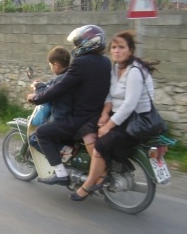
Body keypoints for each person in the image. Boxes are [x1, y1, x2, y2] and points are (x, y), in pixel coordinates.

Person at [70, 29, 160, 201]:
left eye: (122, 47)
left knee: (101, 145)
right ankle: (99, 169)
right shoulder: (116, 68)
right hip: (118, 114)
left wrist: (109, 125)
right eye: (114, 47)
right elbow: (111, 95)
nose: (117, 51)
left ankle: (89, 184)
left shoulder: (134, 71)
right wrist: (104, 114)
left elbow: (130, 104)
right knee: (86, 129)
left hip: (135, 119)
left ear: (130, 51)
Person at [27, 25, 111, 185]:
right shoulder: (105, 62)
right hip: (97, 115)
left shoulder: (81, 63)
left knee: (42, 133)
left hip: (80, 118)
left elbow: (59, 88)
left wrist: (36, 98)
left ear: (88, 43)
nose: (75, 48)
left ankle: (61, 174)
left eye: (77, 44)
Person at [29, 46, 74, 157]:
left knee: (34, 138)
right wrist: (41, 84)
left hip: (60, 118)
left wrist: (37, 90)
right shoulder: (70, 75)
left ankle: (63, 151)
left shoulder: (60, 79)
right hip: (72, 117)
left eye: (50, 65)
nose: (51, 67)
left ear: (56, 66)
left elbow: (47, 94)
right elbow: (51, 87)